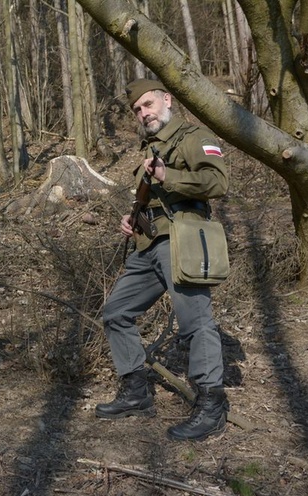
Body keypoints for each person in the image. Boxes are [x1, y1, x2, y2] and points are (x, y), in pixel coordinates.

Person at [95, 79, 230, 441]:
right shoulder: (149, 148)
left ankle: (211, 404)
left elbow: (216, 182)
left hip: (183, 240)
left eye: (148, 104)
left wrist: (168, 175)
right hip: (148, 245)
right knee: (117, 312)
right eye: (137, 110)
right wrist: (132, 219)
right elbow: (151, 201)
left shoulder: (192, 136)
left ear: (167, 99)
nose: (144, 113)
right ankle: (136, 392)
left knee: (195, 322)